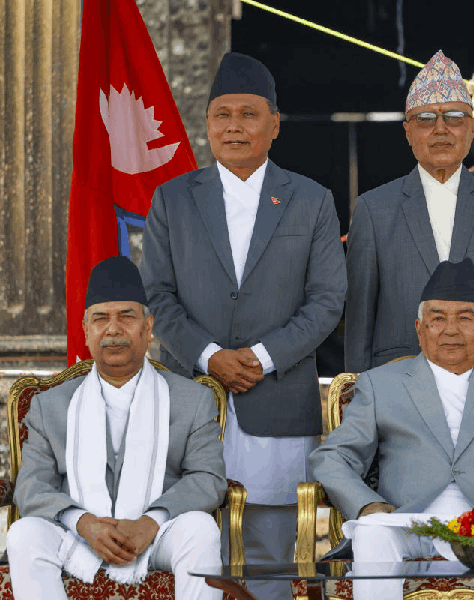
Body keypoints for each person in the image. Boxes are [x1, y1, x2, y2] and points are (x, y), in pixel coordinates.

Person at [140, 52, 347, 600]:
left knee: (271, 556)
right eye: (222, 114)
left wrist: (263, 356)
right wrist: (209, 356)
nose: (234, 126)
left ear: (274, 124)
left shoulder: (311, 200)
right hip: (190, 400)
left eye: (249, 114)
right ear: (207, 124)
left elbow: (328, 300)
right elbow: (156, 295)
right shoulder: (172, 199)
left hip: (276, 399)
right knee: (191, 548)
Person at [310, 258, 474, 600]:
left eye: (465, 318)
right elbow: (332, 458)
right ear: (419, 329)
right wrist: (367, 506)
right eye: (437, 319)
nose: (450, 330)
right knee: (372, 533)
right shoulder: (380, 385)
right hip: (406, 523)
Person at [7, 256, 226, 599]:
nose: (113, 329)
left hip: (159, 534)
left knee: (201, 529)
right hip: (76, 534)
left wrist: (151, 522)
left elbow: (208, 478)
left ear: (148, 327)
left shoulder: (192, 400)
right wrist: (83, 523)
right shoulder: (50, 405)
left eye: (127, 316)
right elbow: (31, 485)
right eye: (101, 319)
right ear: (86, 330)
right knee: (24, 535)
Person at [344, 49, 474, 373]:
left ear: (472, 128)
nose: (441, 129)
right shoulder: (373, 210)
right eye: (425, 119)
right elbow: (358, 329)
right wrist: (360, 397)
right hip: (397, 389)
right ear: (407, 132)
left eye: (454, 117)